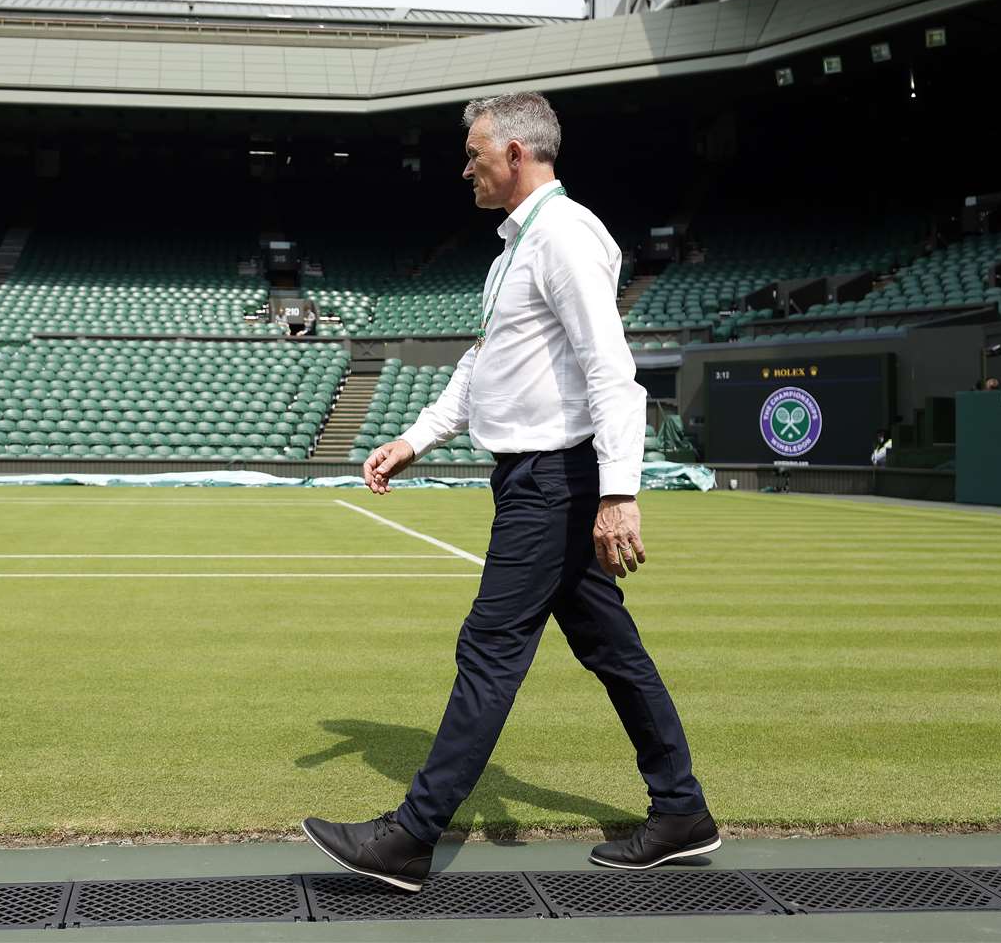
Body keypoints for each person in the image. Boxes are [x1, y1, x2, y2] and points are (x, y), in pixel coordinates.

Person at [302, 92, 716, 891]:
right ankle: (682, 811)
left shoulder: (565, 237)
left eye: (474, 153)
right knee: (611, 650)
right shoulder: (513, 252)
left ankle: (411, 838)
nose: (466, 167)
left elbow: (612, 372)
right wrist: (414, 438)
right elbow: (481, 369)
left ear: (517, 154)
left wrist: (619, 494)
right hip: (535, 479)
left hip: (555, 482)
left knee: (488, 649)